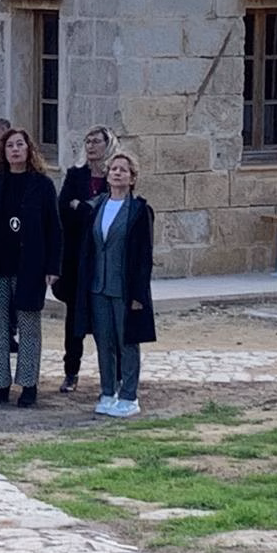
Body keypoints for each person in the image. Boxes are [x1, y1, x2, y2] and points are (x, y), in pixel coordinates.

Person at [0, 128, 61, 408]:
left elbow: (54, 229)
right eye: (9, 145)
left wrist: (52, 266)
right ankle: (0, 385)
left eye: (19, 144)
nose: (14, 150)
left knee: (28, 325)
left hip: (30, 266)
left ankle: (28, 384)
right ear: (3, 151)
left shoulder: (43, 185)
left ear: (29, 149)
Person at [76, 151, 155, 419]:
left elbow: (144, 255)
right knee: (104, 342)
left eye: (124, 170)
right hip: (98, 286)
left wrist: (139, 294)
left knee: (127, 342)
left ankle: (129, 395)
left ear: (132, 178)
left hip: (124, 288)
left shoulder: (139, 210)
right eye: (114, 169)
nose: (117, 173)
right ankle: (108, 391)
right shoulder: (97, 206)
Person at [55, 124, 120, 393]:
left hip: (104, 258)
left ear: (108, 145)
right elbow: (64, 210)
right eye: (88, 141)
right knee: (75, 318)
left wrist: (81, 207)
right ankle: (71, 371)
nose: (91, 146)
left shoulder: (115, 176)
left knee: (109, 318)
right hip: (76, 258)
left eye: (96, 141)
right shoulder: (75, 176)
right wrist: (84, 210)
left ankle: (114, 374)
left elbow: (114, 212)